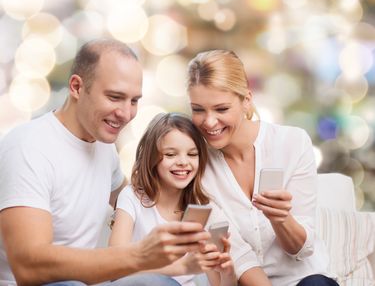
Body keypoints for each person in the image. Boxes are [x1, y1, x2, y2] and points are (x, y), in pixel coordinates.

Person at [0, 39, 209, 286]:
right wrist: (140, 255)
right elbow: (29, 267)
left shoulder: (103, 146)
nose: (126, 113)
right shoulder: (28, 148)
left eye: (133, 101)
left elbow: (132, 195)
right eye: (114, 97)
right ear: (77, 87)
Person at [187, 49, 339, 286]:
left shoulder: (292, 143)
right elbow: (236, 254)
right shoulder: (196, 165)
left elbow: (302, 249)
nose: (208, 122)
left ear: (246, 100)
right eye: (198, 109)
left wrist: (281, 219)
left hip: (303, 279)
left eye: (221, 109)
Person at [109, 112, 238, 286]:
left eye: (192, 154)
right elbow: (114, 268)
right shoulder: (132, 197)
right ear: (152, 157)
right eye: (170, 155)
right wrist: (182, 267)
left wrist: (227, 273)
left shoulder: (203, 208)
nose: (183, 162)